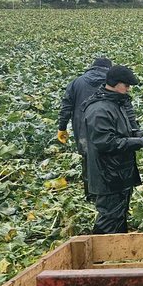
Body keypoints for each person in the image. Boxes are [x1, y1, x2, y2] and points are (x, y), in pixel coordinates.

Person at [82, 65, 143, 234]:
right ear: (114, 83)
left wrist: (135, 132)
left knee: (119, 215)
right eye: (126, 85)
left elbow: (120, 130)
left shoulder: (116, 102)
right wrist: (138, 142)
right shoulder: (99, 109)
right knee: (109, 218)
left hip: (118, 172)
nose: (128, 89)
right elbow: (106, 143)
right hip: (107, 175)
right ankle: (98, 257)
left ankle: (118, 253)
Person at [56, 56, 112, 199]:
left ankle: (90, 194)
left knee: (88, 160)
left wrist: (62, 127)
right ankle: (107, 193)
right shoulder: (113, 83)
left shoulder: (76, 82)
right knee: (109, 159)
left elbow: (66, 107)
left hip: (83, 129)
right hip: (108, 128)